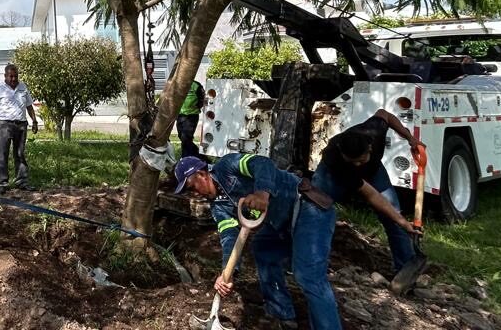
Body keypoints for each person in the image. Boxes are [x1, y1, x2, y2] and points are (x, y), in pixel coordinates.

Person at [175, 153, 344, 330]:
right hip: (280, 222)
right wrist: (228, 272)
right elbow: (229, 237)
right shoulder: (218, 207)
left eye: (191, 186)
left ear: (202, 174)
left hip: (307, 207)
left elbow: (263, 163)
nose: (192, 192)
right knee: (263, 248)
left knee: (308, 275)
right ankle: (282, 315)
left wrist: (262, 194)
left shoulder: (227, 166)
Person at [310, 108, 423, 274]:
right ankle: (311, 261)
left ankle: (406, 269)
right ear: (343, 153)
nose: (357, 164)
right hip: (331, 176)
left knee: (393, 216)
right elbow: (370, 194)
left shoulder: (374, 131)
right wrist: (401, 220)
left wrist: (410, 138)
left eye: (361, 160)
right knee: (315, 210)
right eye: (353, 161)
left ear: (370, 148)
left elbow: (384, 114)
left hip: (374, 171)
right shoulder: (335, 158)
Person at [0, 64, 38, 193]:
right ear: (5, 76)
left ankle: (22, 182)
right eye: (11, 76)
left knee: (20, 154)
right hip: (4, 124)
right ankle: (2, 183)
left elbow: (29, 106)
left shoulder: (23, 87)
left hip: (21, 125)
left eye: (15, 76)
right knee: (2, 154)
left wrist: (34, 121)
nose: (14, 79)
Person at [174, 79, 205, 158]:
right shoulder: (177, 85)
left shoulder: (196, 85)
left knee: (186, 138)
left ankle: (185, 157)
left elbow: (202, 98)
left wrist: (197, 106)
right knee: (181, 136)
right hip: (180, 115)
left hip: (191, 115)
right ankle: (199, 155)